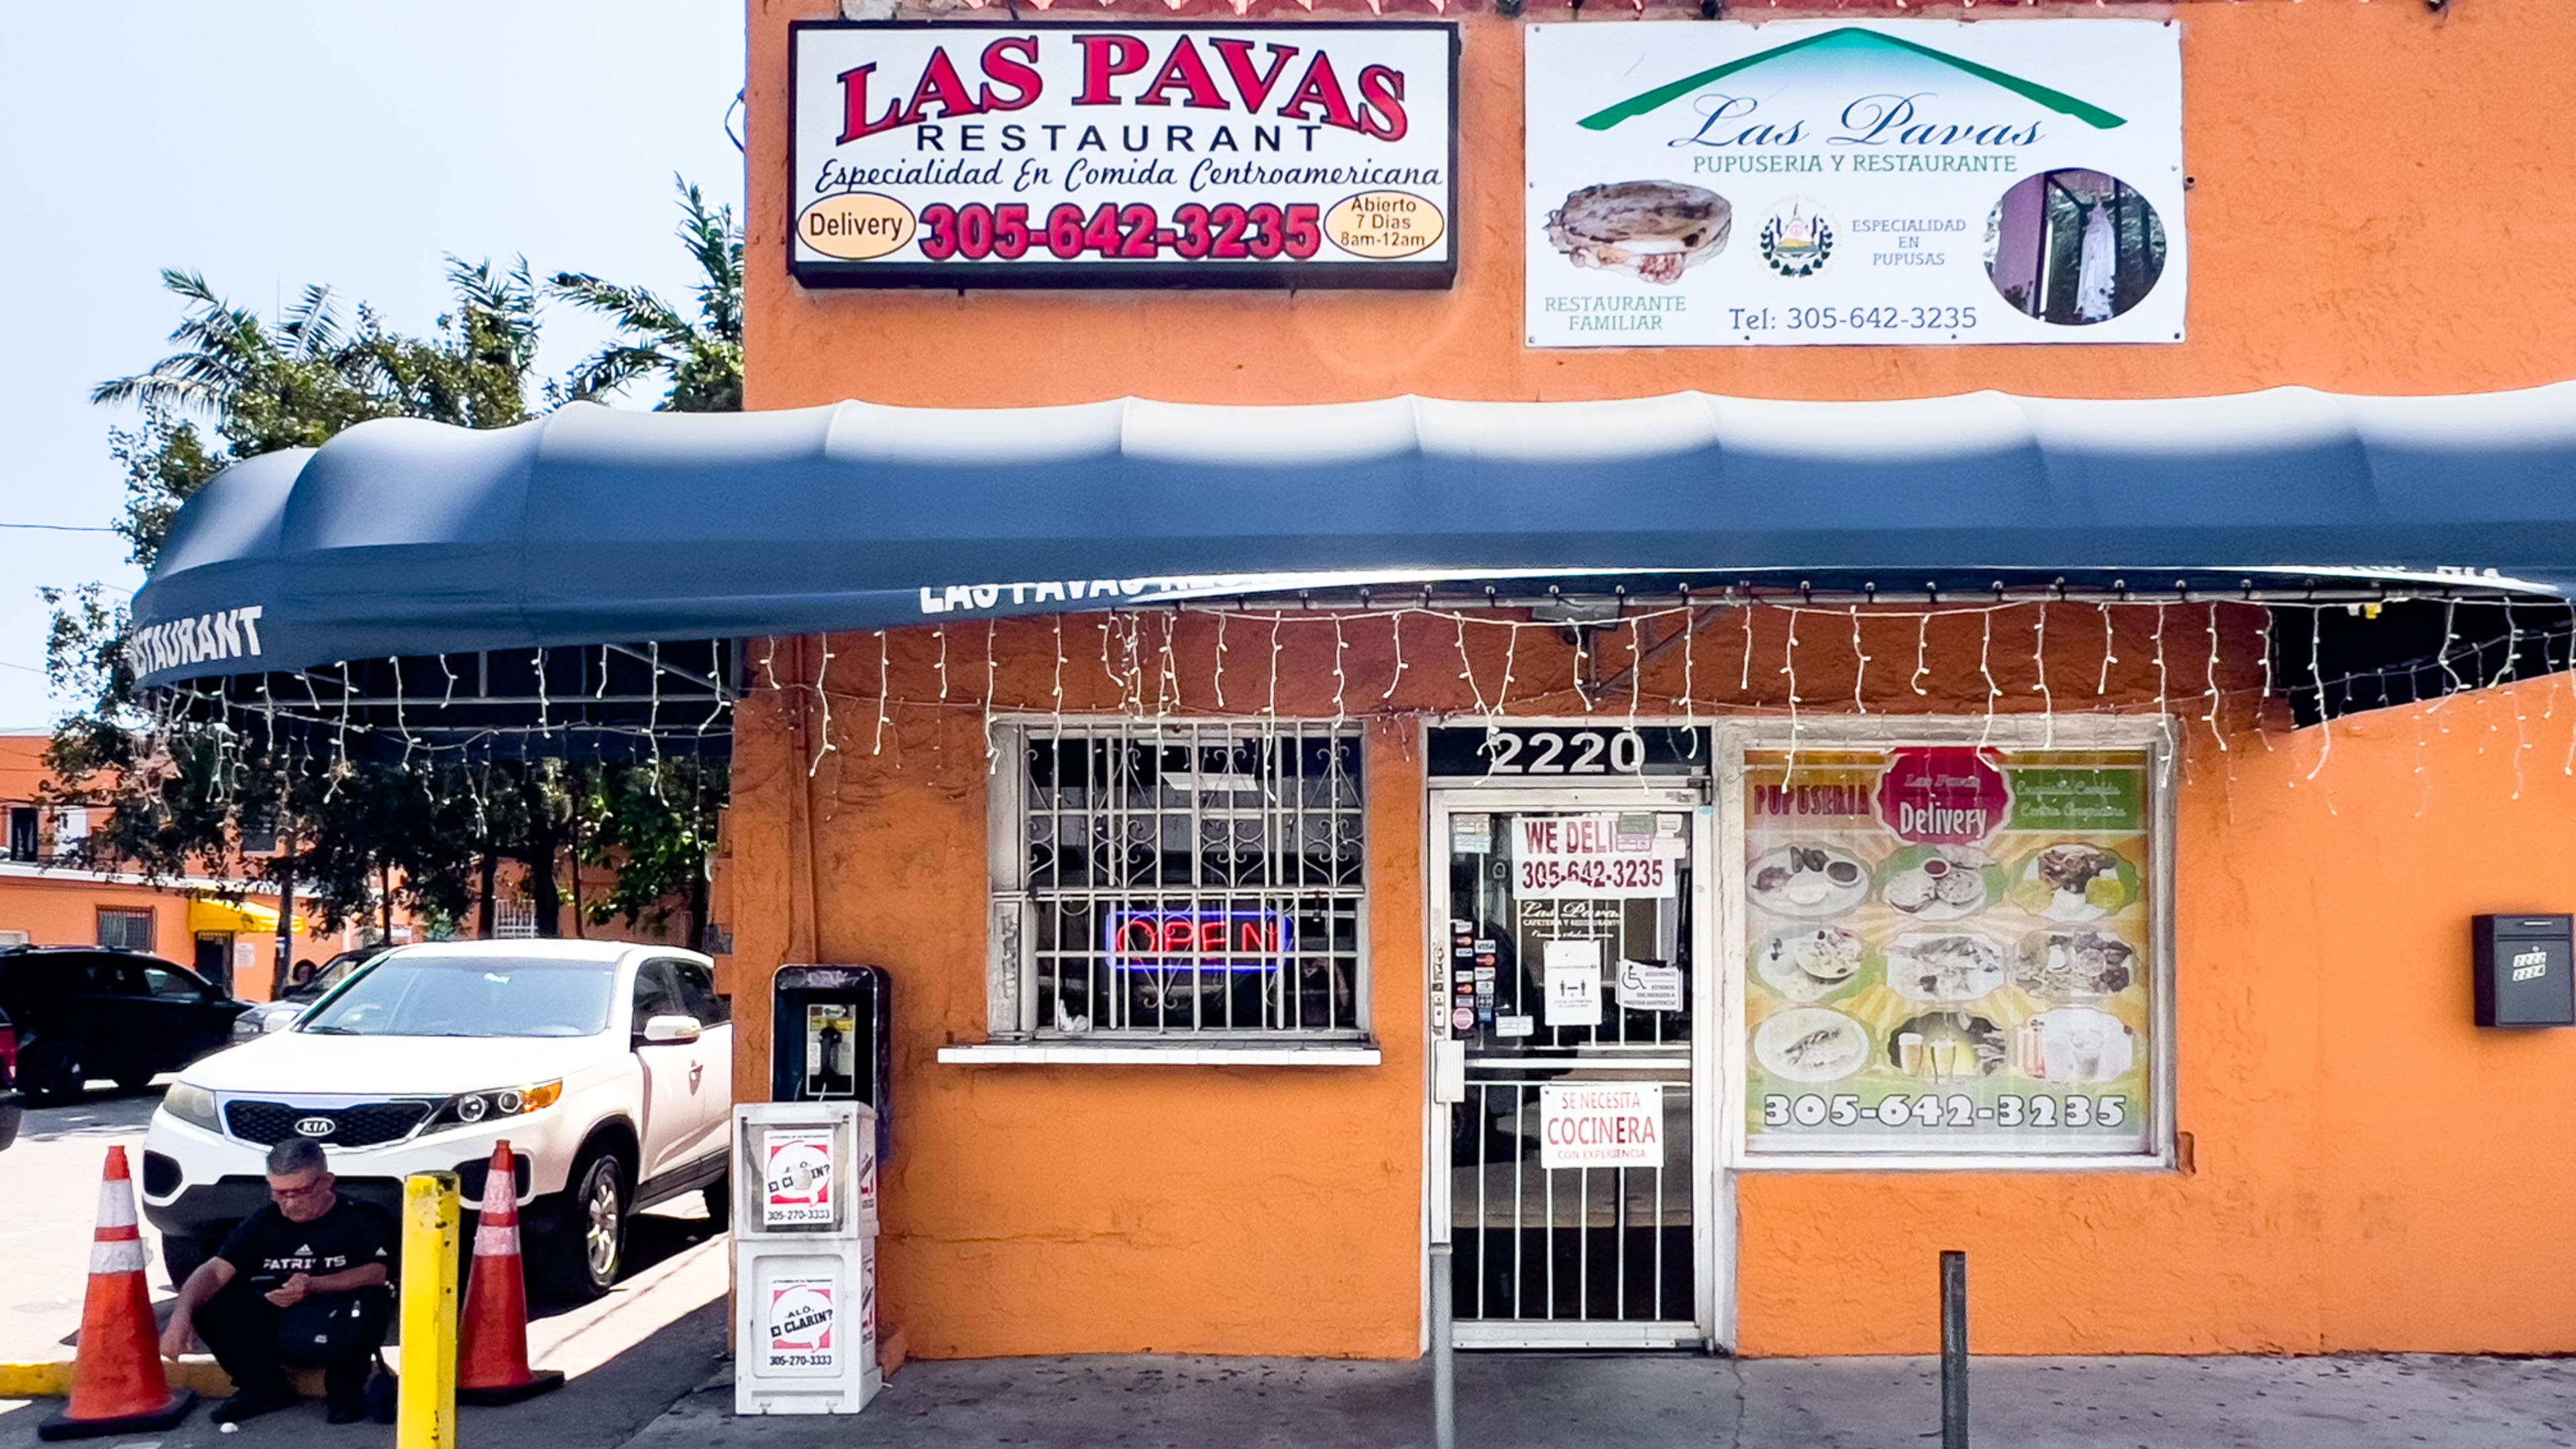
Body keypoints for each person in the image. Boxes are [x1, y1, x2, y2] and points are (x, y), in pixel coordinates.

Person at [159, 1138, 394, 1424]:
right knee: (212, 1299)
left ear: (326, 1182)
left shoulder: (360, 1217)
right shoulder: (264, 1222)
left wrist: (313, 1285)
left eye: (301, 1192)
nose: (291, 1203)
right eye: (281, 1193)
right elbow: (214, 1271)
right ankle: (262, 1388)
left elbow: (376, 1272)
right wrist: (180, 1317)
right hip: (282, 1320)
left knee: (371, 1299)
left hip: (341, 1321)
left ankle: (345, 1391)